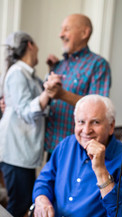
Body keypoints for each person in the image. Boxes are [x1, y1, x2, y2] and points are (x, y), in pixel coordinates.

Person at [0, 31, 49, 217]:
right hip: (13, 150)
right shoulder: (17, 73)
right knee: (20, 203)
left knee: (25, 202)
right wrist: (48, 93)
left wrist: (50, 73)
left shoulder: (28, 75)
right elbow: (26, 111)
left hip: (21, 151)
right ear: (30, 45)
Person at [43, 13, 111, 157]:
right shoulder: (59, 65)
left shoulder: (98, 64)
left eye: (66, 29)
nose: (61, 34)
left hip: (78, 149)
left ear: (84, 33)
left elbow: (99, 107)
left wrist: (62, 94)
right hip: (52, 146)